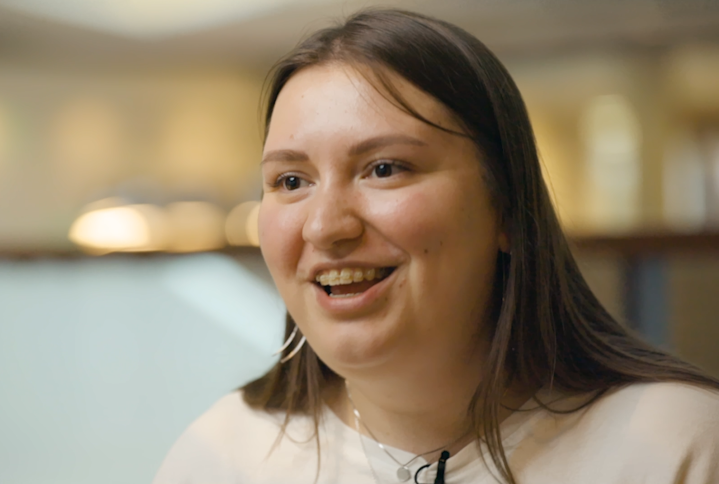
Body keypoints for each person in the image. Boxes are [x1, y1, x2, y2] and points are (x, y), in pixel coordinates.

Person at [153, 9, 719, 484]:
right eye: (291, 181)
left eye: (384, 168)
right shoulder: (223, 456)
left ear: (506, 208)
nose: (325, 227)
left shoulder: (677, 447)